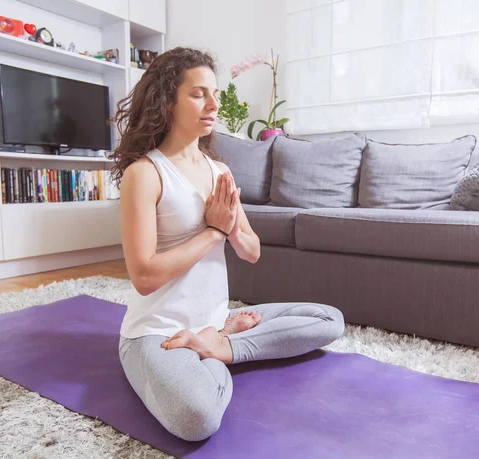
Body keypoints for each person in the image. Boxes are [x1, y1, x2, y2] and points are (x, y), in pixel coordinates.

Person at [109, 47, 345, 442]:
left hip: (215, 323)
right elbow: (144, 276)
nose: (214, 104)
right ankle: (220, 347)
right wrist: (214, 232)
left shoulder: (219, 170)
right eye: (199, 93)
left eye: (215, 93)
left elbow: (251, 251)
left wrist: (232, 228)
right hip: (157, 333)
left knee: (328, 319)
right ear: (167, 100)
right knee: (197, 419)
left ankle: (221, 345)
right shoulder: (145, 173)